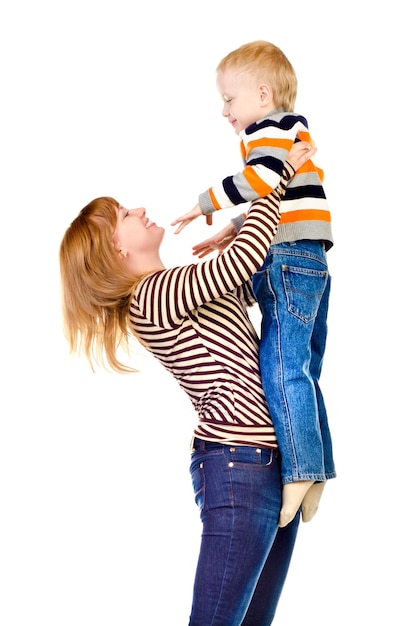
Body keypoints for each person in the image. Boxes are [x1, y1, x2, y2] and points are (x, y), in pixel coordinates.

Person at [59, 142, 315, 625]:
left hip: (269, 462)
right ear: (117, 247)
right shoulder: (150, 297)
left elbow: (243, 275)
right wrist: (277, 175)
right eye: (123, 214)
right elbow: (241, 263)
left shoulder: (177, 282)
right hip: (239, 464)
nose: (139, 209)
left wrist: (237, 230)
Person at [171, 40, 336, 529]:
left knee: (282, 367)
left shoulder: (272, 127)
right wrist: (233, 228)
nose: (224, 111)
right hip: (304, 257)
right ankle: (317, 466)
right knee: (302, 370)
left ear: (262, 94)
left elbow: (262, 178)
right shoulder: (289, 130)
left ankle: (302, 470)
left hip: (287, 259)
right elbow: (273, 195)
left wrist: (206, 203)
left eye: (229, 99)